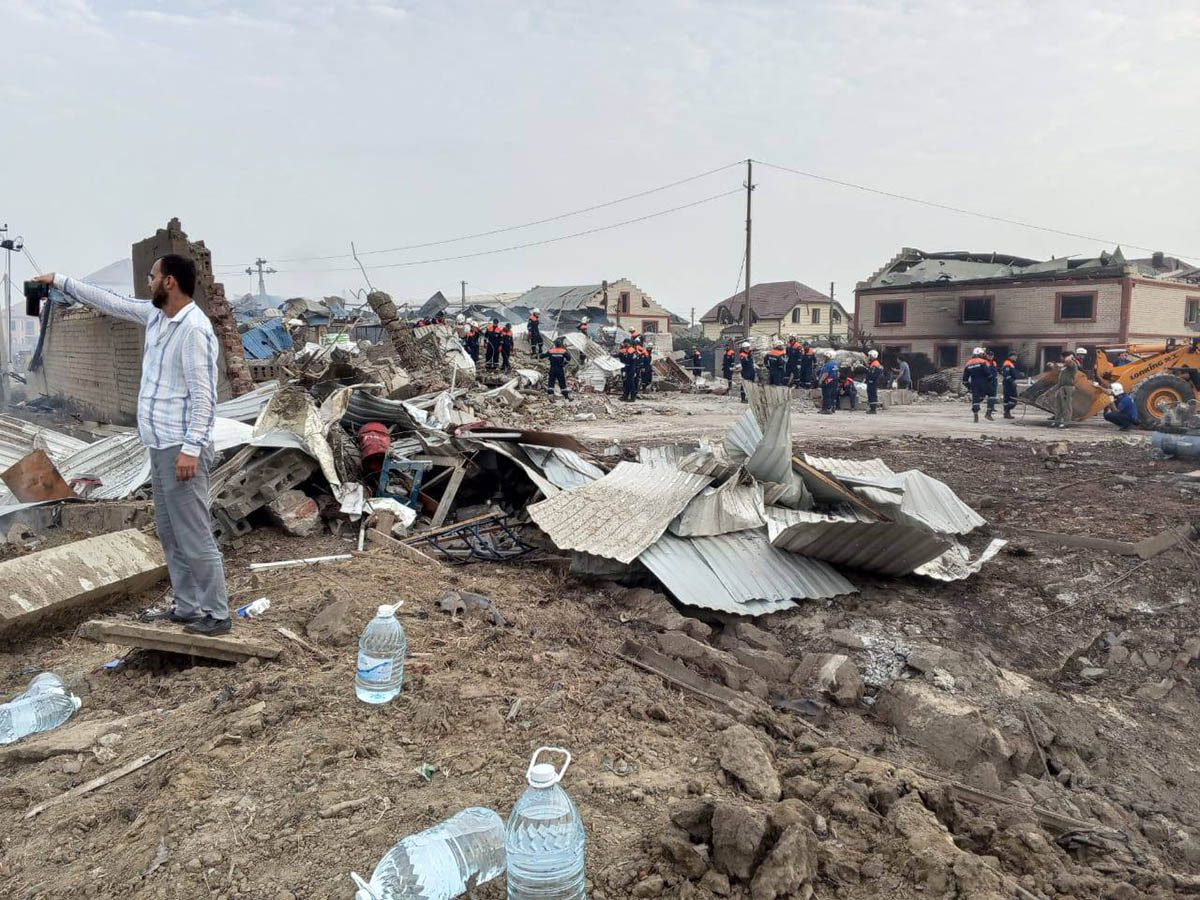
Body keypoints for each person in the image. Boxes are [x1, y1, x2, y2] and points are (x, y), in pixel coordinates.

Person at [32, 259, 231, 634]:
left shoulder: (193, 330)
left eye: (152, 277)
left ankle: (216, 614)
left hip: (180, 448)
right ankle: (188, 607)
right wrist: (61, 280)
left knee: (193, 532)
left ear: (169, 282)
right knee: (170, 532)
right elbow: (110, 301)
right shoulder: (157, 317)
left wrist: (191, 448)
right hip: (159, 446)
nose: (149, 282)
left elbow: (204, 397)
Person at [962, 347, 996, 423]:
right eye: (982, 354)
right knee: (992, 394)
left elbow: (964, 380)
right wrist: (990, 382)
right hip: (984, 382)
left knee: (976, 399)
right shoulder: (982, 361)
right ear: (980, 354)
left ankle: (976, 416)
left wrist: (970, 387)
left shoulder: (968, 363)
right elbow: (989, 374)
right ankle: (988, 414)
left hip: (974, 384)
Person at [1052, 350, 1080, 429]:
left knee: (1066, 405)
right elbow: (1059, 367)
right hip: (1061, 387)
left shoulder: (1072, 364)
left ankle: (1066, 422)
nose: (1061, 358)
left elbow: (1067, 360)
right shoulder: (1065, 366)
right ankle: (1057, 421)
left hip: (1068, 387)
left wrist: (1071, 356)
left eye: (1062, 357)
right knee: (1058, 405)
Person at [865, 349, 884, 414]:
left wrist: (867, 370)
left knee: (871, 395)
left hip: (872, 382)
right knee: (873, 394)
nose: (868, 357)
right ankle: (872, 408)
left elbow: (871, 374)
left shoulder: (874, 364)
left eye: (869, 356)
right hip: (874, 381)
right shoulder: (876, 363)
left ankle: (873, 409)